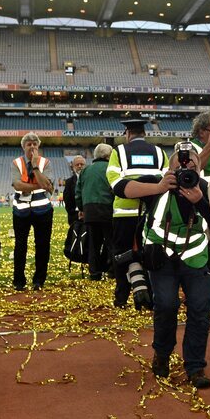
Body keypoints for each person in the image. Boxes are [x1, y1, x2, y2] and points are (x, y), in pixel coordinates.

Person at [122, 141, 210, 389]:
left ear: (199, 165)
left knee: (201, 306)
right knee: (165, 304)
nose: (186, 167)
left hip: (195, 259)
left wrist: (201, 201)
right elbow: (121, 188)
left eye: (191, 161)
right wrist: (160, 186)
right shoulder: (157, 182)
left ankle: (195, 366)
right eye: (180, 162)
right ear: (170, 165)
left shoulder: (205, 186)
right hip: (161, 258)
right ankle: (161, 354)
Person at [107, 115, 167, 309]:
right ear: (144, 133)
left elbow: (115, 183)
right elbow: (166, 182)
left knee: (121, 256)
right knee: (149, 254)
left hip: (124, 215)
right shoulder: (159, 152)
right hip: (151, 215)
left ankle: (122, 297)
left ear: (128, 133)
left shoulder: (119, 152)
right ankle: (148, 296)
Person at [11, 132, 54, 291]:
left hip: (43, 210)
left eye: (35, 144)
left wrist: (35, 166)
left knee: (43, 246)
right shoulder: (16, 163)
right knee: (20, 246)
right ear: (23, 147)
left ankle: (39, 280)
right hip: (21, 211)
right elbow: (18, 185)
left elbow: (48, 184)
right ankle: (19, 281)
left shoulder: (45, 163)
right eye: (29, 144)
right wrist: (41, 185)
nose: (32, 147)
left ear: (39, 146)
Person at [76, 143, 115, 280]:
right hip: (108, 209)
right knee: (111, 242)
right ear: (108, 155)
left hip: (90, 210)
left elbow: (78, 192)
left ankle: (94, 272)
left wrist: (81, 208)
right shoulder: (111, 168)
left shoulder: (86, 171)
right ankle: (112, 270)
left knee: (94, 243)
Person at [64, 155, 86, 223]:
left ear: (85, 166)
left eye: (82, 164)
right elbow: (67, 200)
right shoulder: (69, 182)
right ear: (73, 167)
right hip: (74, 218)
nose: (80, 166)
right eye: (77, 164)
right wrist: (76, 214)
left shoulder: (91, 179)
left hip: (89, 216)